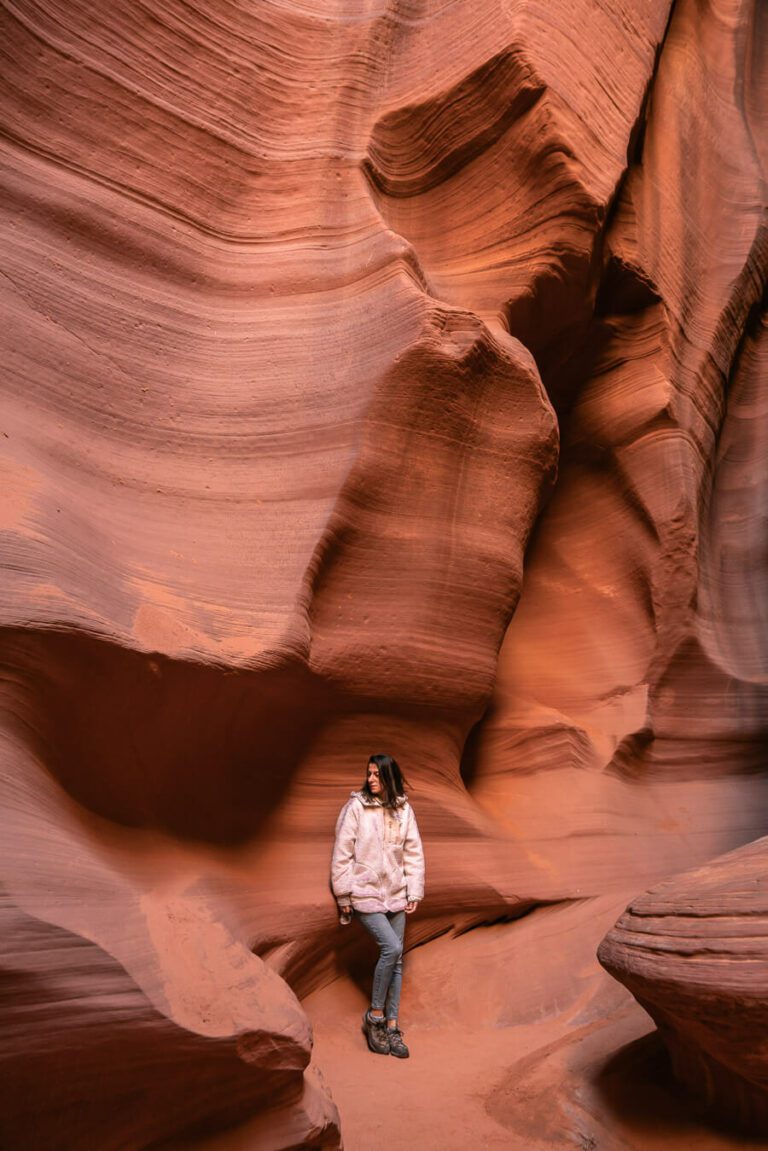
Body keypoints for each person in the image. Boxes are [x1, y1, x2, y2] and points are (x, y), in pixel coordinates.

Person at [331, 754, 425, 1058]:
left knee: (397, 961)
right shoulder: (356, 807)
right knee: (392, 949)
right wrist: (344, 894)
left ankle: (392, 1026)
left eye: (377, 775)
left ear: (389, 778)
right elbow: (343, 851)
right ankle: (374, 1018)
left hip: (396, 891)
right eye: (369, 774)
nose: (371, 779)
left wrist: (414, 891)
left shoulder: (403, 809)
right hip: (366, 891)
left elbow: (413, 852)